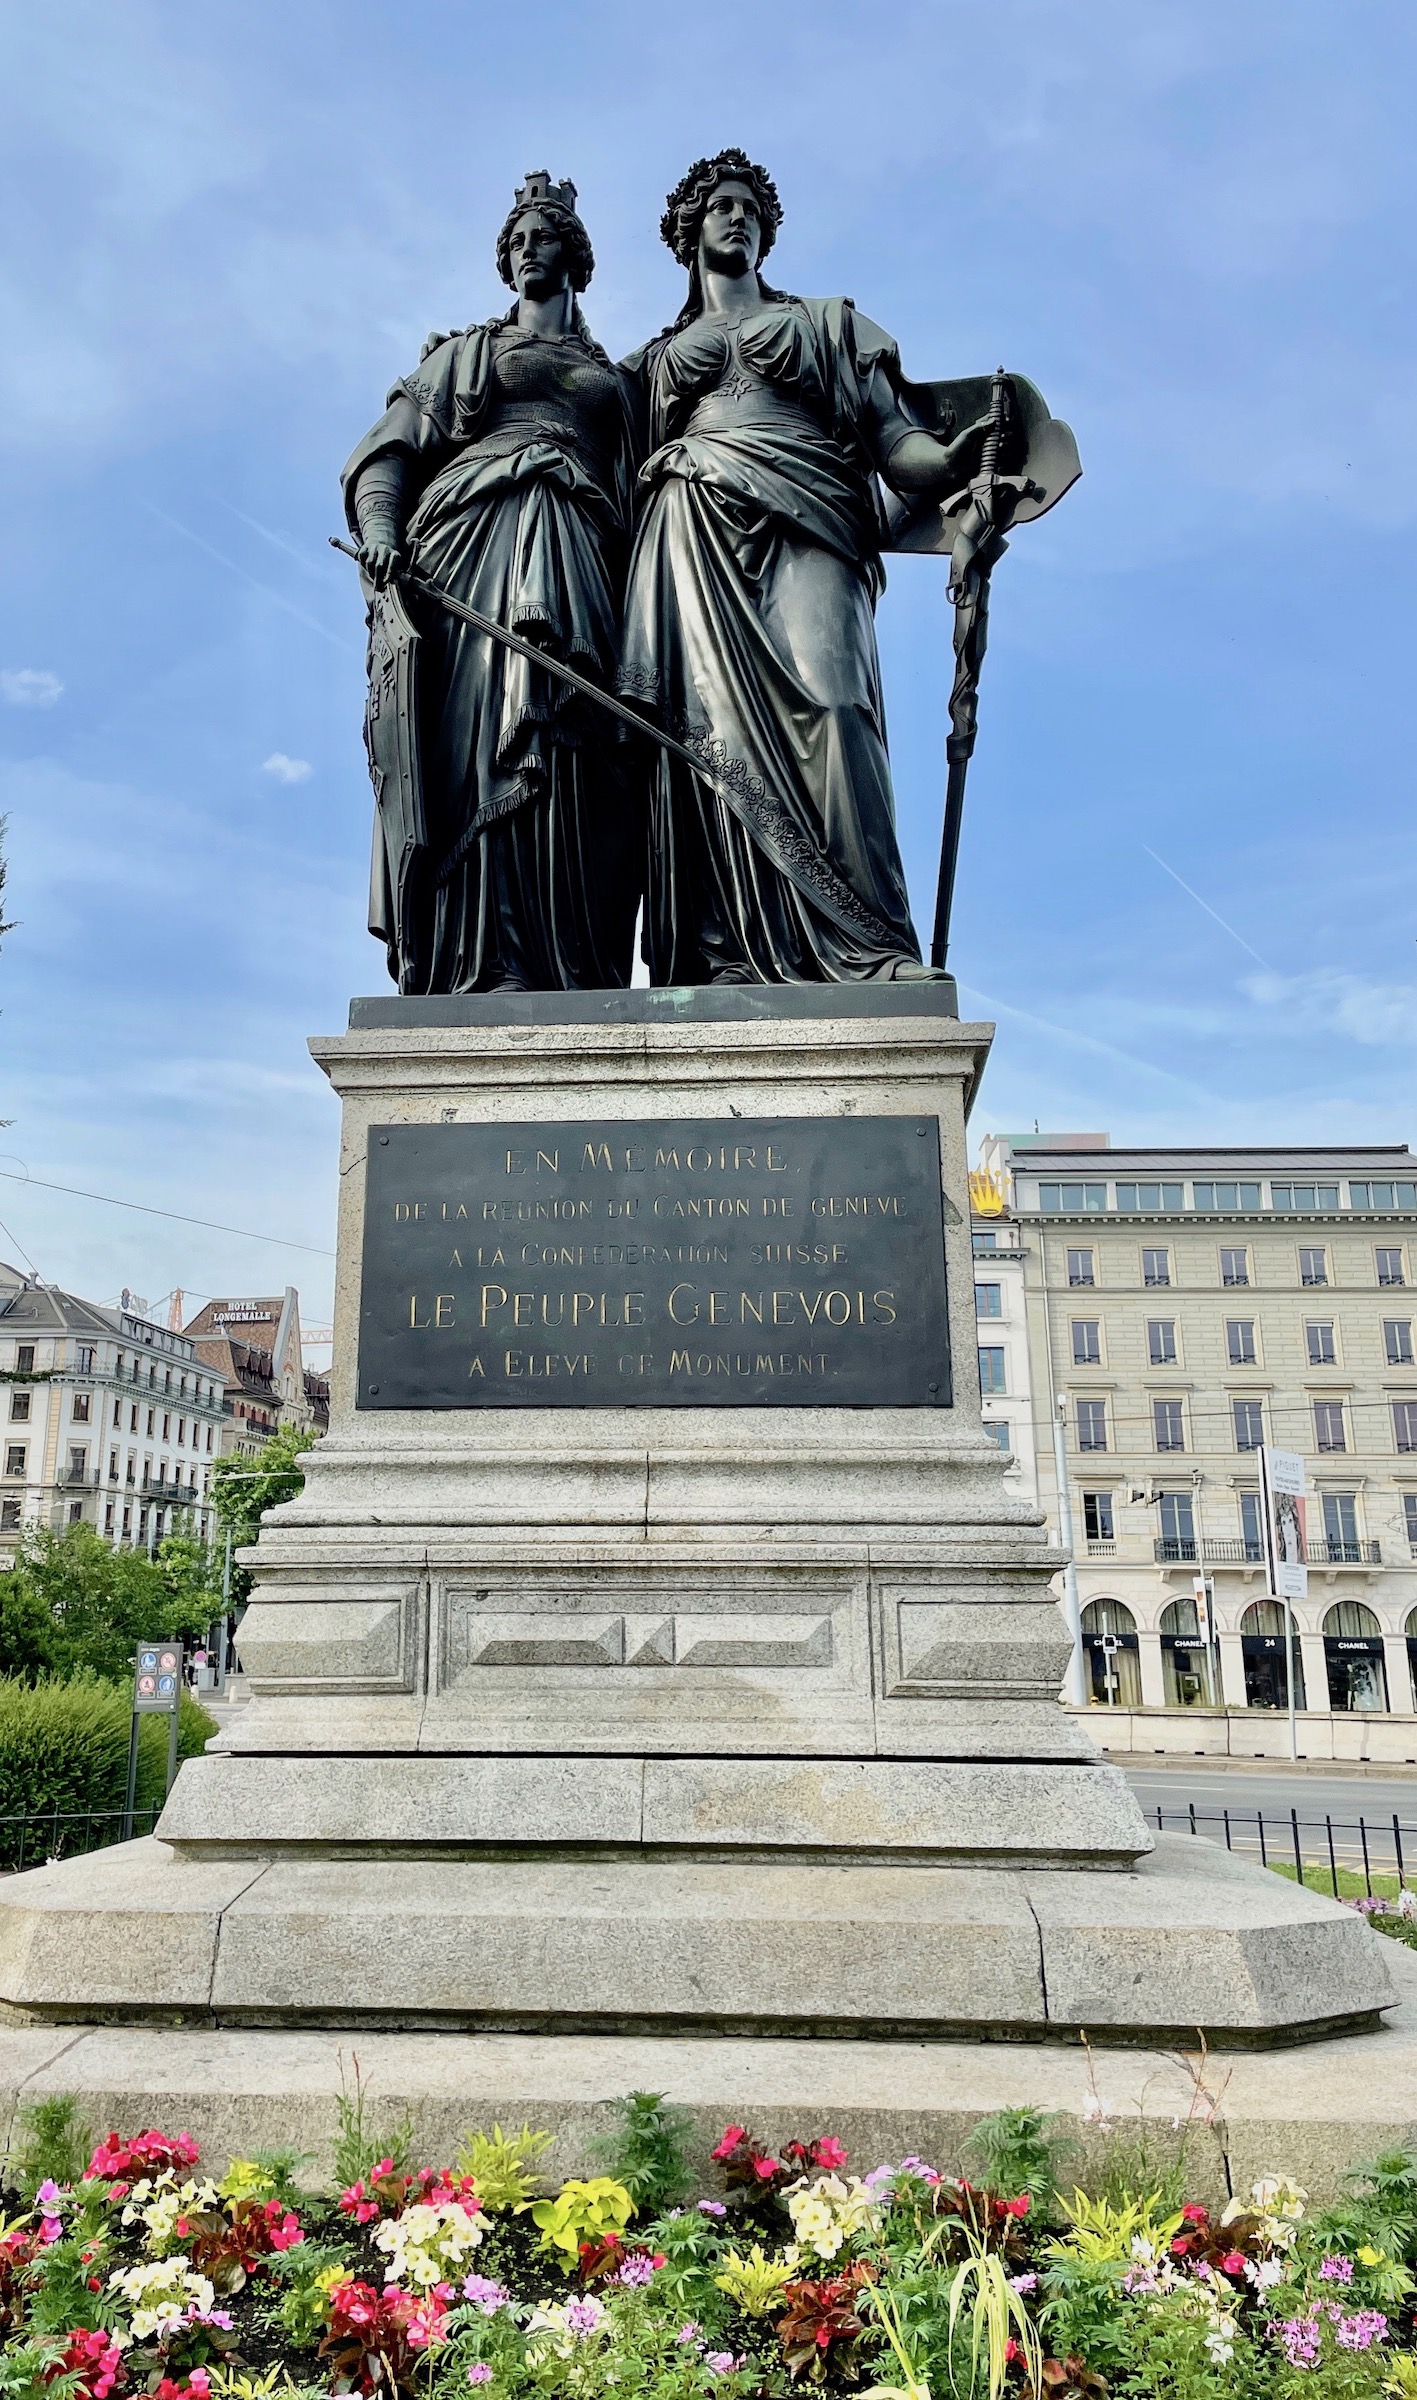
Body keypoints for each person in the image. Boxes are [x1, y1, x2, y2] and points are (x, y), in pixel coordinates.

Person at [619, 149, 994, 985]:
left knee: (836, 709)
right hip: (690, 527)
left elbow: (897, 443)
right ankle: (725, 953)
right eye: (719, 205)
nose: (736, 215)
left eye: (749, 206)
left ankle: (866, 943)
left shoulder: (827, 323)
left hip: (811, 513)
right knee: (702, 744)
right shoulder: (648, 365)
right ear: (688, 229)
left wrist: (956, 461)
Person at [342, 174, 641, 993]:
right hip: (470, 550)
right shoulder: (464, 354)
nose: (526, 248)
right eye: (514, 240)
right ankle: (484, 959)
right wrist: (378, 534)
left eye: (542, 235)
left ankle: (569, 960)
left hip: (582, 554)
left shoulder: (620, 378)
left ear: (573, 255)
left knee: (572, 738)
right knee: (482, 746)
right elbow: (390, 450)